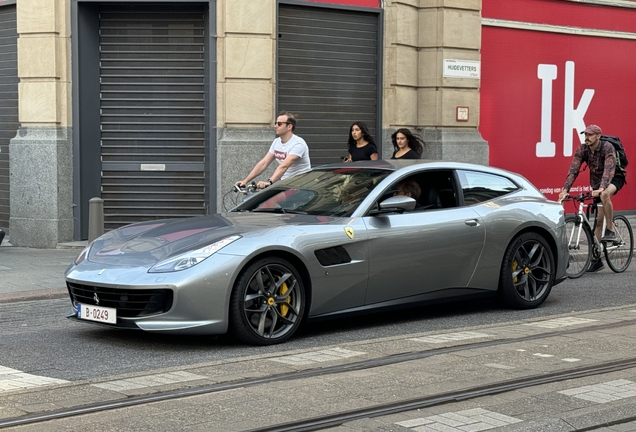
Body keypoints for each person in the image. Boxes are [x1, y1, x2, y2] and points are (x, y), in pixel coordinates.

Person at [558, 124, 626, 273]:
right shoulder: (583, 149)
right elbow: (573, 170)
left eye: (590, 135)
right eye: (585, 135)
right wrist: (565, 190)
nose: (586, 138)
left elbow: (609, 170)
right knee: (597, 223)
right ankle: (596, 259)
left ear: (598, 136)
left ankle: (610, 231)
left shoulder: (608, 147)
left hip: (615, 178)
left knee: (605, 194)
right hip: (597, 183)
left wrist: (602, 188)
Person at [237, 111, 311, 189]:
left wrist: (270, 182)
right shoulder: (276, 142)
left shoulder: (298, 144)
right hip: (286, 183)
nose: (276, 126)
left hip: (301, 185)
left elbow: (284, 166)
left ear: (289, 127)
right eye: (275, 123)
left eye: (279, 124)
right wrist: (245, 181)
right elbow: (264, 163)